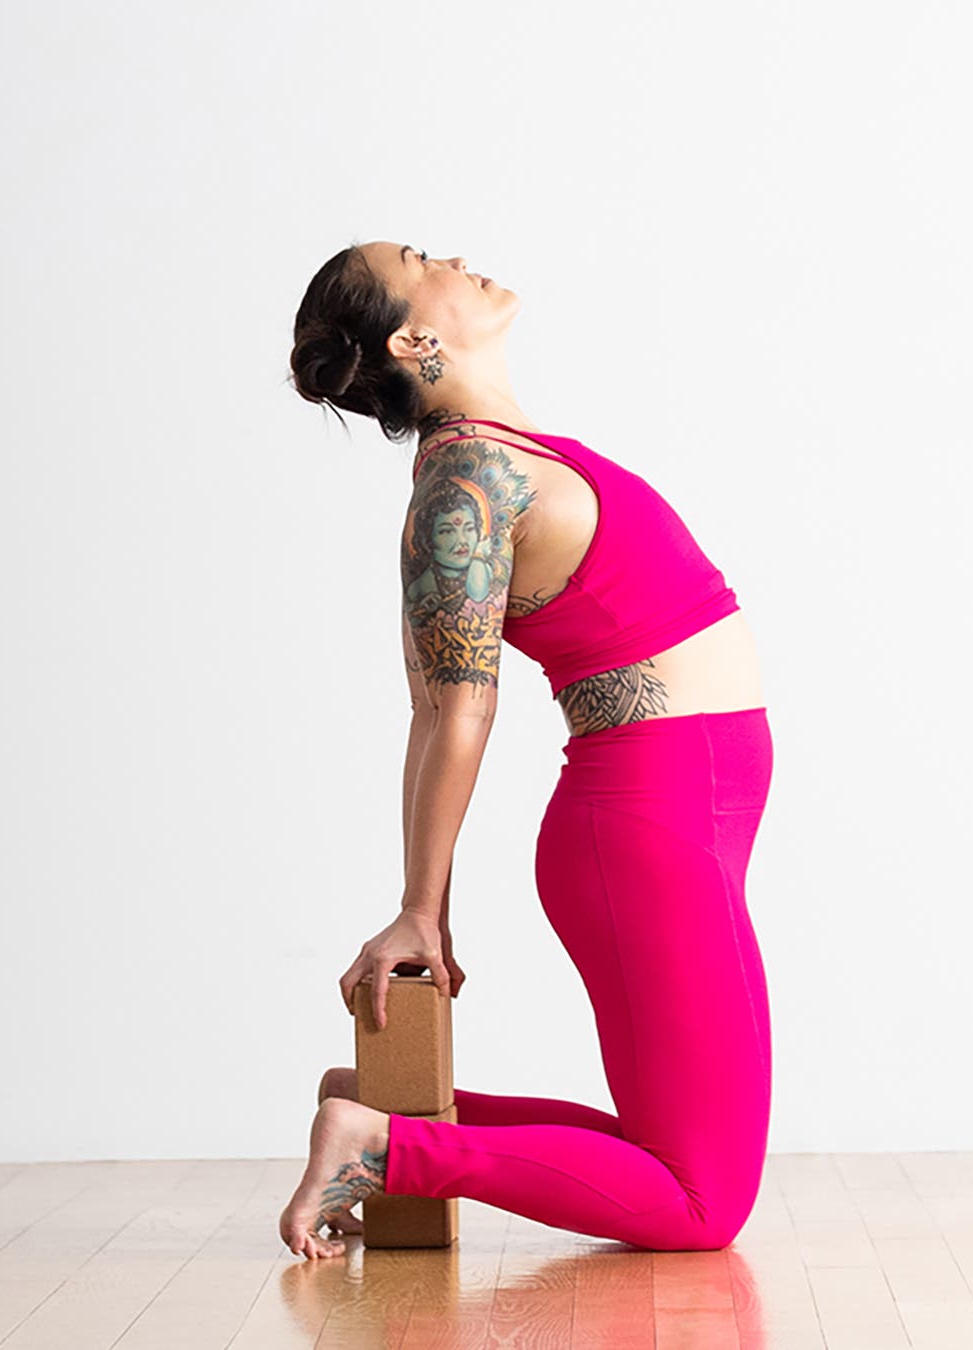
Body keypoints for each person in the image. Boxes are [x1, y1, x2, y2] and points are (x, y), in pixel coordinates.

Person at [274, 240, 776, 1256]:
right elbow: (449, 709)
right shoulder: (466, 483)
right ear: (416, 337)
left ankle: (394, 1116)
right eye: (425, 261)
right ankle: (385, 1150)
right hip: (647, 830)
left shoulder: (514, 452)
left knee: (671, 1151)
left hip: (689, 821)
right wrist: (423, 911)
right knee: (701, 1206)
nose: (455, 258)